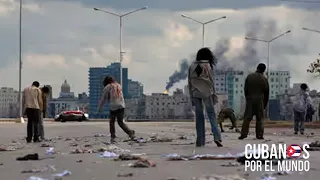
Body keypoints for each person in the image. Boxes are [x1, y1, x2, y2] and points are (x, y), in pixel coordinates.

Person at [188, 47, 222, 147]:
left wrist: (191, 97)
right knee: (212, 116)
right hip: (207, 93)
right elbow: (211, 82)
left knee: (199, 117)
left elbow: (189, 83)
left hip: (195, 93)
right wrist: (214, 95)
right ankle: (217, 137)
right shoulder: (207, 66)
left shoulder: (191, 66)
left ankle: (200, 141)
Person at [97, 76, 135, 143]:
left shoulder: (107, 87)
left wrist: (99, 108)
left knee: (112, 122)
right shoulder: (119, 85)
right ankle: (130, 132)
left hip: (114, 106)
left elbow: (103, 99)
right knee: (120, 122)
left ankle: (113, 136)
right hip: (122, 105)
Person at [239, 63, 269, 140]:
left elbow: (245, 89)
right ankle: (259, 135)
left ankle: (243, 134)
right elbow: (266, 93)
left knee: (247, 118)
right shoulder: (264, 79)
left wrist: (247, 98)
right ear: (264, 70)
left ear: (257, 68)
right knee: (260, 119)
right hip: (259, 101)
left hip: (250, 100)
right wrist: (264, 105)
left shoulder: (249, 77)